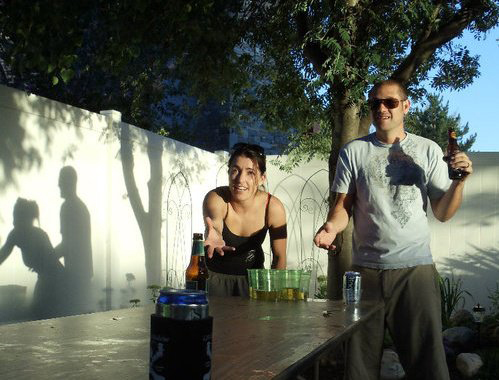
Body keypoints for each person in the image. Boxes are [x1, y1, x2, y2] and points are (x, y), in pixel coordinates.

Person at [314, 79, 473, 380]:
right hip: (365, 274)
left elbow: (443, 212)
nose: (382, 108)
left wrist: (460, 183)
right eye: (375, 103)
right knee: (358, 368)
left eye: (390, 102)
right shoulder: (354, 151)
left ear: (406, 106)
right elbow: (341, 208)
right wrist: (330, 228)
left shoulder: (427, 149)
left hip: (415, 271)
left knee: (428, 367)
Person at [203, 143, 287, 297]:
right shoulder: (216, 198)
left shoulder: (273, 207)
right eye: (235, 170)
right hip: (214, 281)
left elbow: (280, 257)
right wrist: (214, 233)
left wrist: (276, 294)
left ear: (262, 178)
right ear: (228, 173)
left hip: (253, 284)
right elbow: (214, 223)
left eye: (250, 173)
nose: (240, 179)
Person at [0, 198, 65, 319]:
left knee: (38, 315)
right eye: (14, 216)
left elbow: (51, 262)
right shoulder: (15, 234)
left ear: (25, 219)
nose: (14, 221)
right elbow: (2, 255)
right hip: (45, 279)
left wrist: (41, 264)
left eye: (17, 217)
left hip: (57, 282)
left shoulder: (40, 235)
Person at [54, 166, 93, 313]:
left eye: (60, 180)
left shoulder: (68, 207)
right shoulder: (80, 207)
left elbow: (67, 245)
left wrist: (46, 258)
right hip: (83, 274)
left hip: (75, 276)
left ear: (69, 182)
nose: (58, 184)